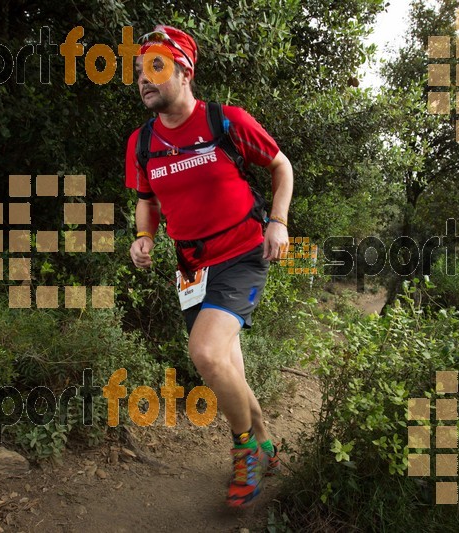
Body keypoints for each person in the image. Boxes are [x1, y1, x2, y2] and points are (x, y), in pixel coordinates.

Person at [124, 25, 294, 507]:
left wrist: (278, 222)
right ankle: (266, 443)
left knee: (205, 353)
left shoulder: (226, 121)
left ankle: (244, 452)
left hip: (242, 254)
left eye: (155, 68)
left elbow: (282, 167)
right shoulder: (142, 143)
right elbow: (146, 199)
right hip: (191, 270)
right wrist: (144, 237)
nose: (143, 79)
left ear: (184, 70)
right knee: (225, 365)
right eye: (138, 72)